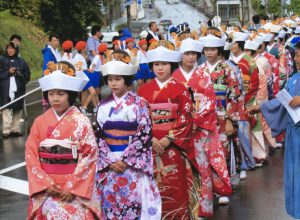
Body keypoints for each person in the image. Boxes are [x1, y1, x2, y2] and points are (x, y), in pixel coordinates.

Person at [25, 61, 101, 219]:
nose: (55, 99)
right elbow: (31, 155)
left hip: (74, 191)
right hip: (47, 190)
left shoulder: (81, 121)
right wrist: (46, 184)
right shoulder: (39, 122)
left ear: (70, 94)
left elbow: (89, 156)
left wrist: (72, 188)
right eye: (51, 94)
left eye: (61, 94)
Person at [138, 45, 201, 219]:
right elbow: (140, 118)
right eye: (156, 64)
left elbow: (185, 117)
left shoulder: (180, 88)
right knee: (152, 188)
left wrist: (168, 138)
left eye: (164, 64)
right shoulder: (143, 90)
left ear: (171, 65)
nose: (159, 68)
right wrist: (150, 139)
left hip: (172, 146)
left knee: (175, 185)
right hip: (151, 146)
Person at [96, 60, 161, 219]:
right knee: (110, 204)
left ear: (127, 80)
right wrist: (110, 160)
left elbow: (144, 135)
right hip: (110, 162)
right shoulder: (103, 105)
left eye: (118, 79)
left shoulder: (139, 104)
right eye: (110, 80)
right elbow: (98, 136)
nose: (113, 84)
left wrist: (125, 160)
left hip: (131, 164)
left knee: (134, 203)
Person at [173, 37, 230, 215]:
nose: (191, 57)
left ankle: (203, 208)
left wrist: (196, 120)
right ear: (181, 56)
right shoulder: (174, 77)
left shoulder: (202, 75)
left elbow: (209, 101)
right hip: (181, 130)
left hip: (200, 128)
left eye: (194, 54)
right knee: (182, 168)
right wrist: (182, 123)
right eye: (187, 54)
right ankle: (185, 207)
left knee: (202, 166)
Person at [248, 41, 300, 219]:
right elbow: (281, 100)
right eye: (297, 55)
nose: (297, 59)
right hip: (295, 134)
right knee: (296, 175)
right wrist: (261, 107)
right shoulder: (294, 78)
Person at [0, 42, 30, 138]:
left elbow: (26, 73)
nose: (10, 50)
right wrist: (7, 71)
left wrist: (18, 73)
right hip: (5, 87)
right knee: (6, 107)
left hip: (18, 86)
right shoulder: (2, 60)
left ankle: (15, 128)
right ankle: (6, 130)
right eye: (8, 48)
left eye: (12, 49)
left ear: (16, 50)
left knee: (18, 107)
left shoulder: (21, 61)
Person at [72, 41, 97, 115]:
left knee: (84, 94)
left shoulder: (79, 56)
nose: (86, 48)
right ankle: (84, 107)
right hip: (83, 76)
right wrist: (87, 69)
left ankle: (83, 111)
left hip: (84, 76)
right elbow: (78, 67)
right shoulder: (78, 57)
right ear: (82, 49)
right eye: (85, 47)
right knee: (93, 92)